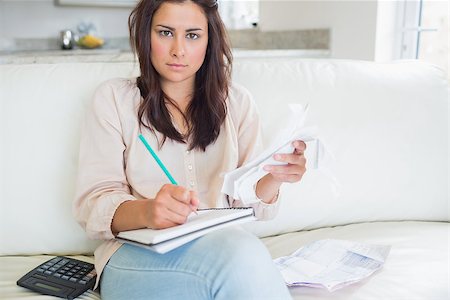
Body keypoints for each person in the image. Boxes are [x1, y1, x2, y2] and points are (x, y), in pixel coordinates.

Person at [74, 0, 307, 299]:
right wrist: (147, 211)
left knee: (240, 256)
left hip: (221, 249)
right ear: (145, 35)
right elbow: (93, 205)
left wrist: (277, 175)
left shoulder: (237, 102)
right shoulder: (114, 100)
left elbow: (249, 202)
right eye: (166, 33)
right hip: (136, 254)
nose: (179, 50)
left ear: (210, 41)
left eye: (193, 35)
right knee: (243, 256)